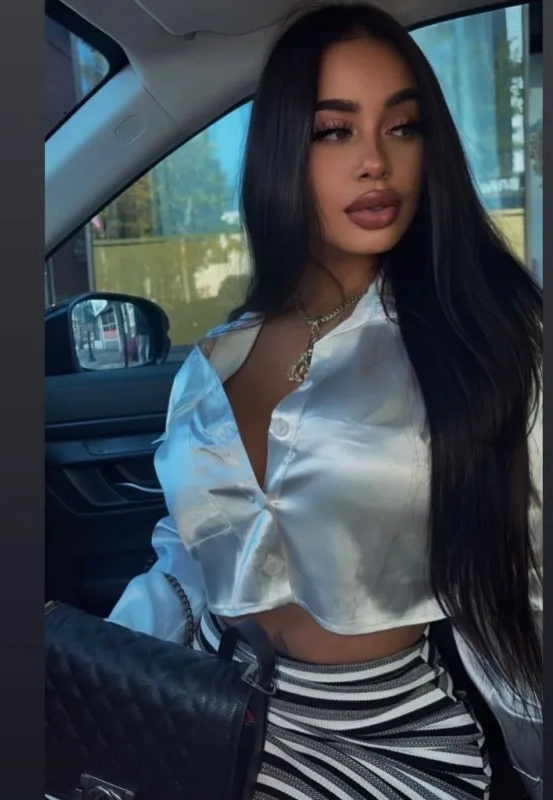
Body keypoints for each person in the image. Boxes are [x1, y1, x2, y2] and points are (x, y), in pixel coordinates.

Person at [108, 4, 543, 798]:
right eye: (333, 131)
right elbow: (182, 558)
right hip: (223, 719)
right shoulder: (211, 365)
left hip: (394, 739)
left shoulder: (492, 338)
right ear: (283, 149)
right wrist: (94, 674)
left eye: (401, 127)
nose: (374, 162)